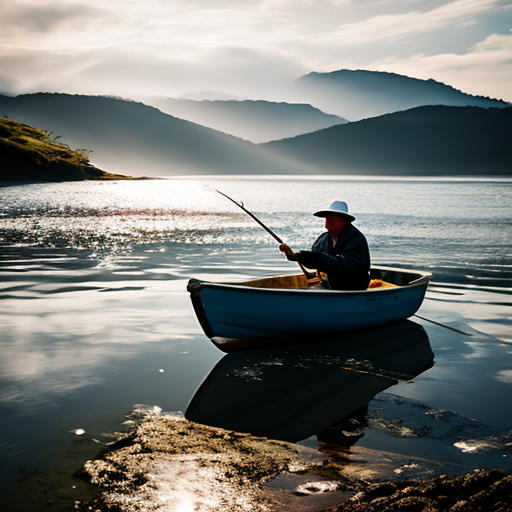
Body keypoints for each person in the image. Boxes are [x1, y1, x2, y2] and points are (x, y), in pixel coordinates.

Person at [279, 200, 370, 290]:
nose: (328, 225)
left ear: (344, 222)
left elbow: (343, 265)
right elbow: (314, 259)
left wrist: (306, 256)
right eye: (327, 220)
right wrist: (295, 256)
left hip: (352, 288)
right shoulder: (323, 239)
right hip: (328, 286)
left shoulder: (356, 239)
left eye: (333, 220)